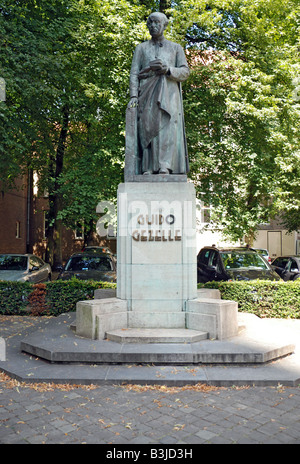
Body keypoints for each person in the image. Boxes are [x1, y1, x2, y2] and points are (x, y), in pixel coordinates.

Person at [128, 12, 190, 175]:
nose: (153, 26)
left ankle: (165, 165)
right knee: (147, 127)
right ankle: (147, 167)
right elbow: (134, 73)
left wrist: (168, 70)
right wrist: (133, 96)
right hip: (147, 93)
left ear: (164, 26)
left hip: (169, 94)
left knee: (166, 129)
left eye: (157, 23)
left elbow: (185, 72)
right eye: (150, 23)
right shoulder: (141, 48)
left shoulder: (175, 48)